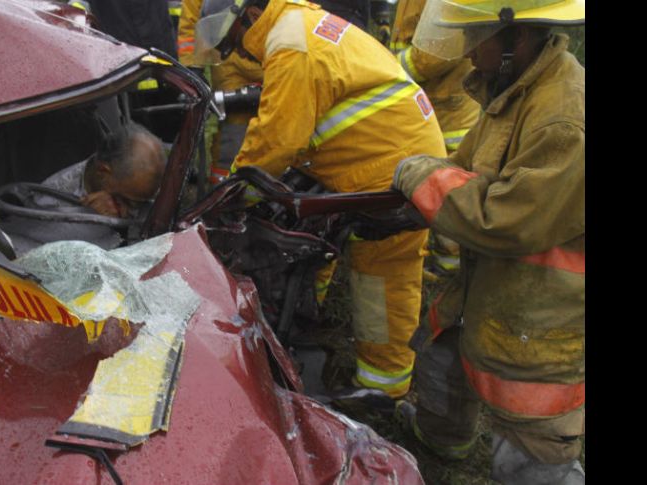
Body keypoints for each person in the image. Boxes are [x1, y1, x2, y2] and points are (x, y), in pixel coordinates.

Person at [194, 0, 447, 399]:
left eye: (235, 42)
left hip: (392, 171)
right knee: (318, 232)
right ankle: (311, 313)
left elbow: (275, 143)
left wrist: (232, 196)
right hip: (371, 156)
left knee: (379, 278)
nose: (239, 53)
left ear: (249, 17)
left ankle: (382, 389)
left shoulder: (291, 46)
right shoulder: (293, 27)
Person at [390, 1, 584, 483]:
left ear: (516, 39)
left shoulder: (562, 120)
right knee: (445, 357)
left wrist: (419, 177)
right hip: (490, 284)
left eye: (478, 39)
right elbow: (465, 167)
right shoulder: (517, 88)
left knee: (531, 435)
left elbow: (504, 219)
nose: (469, 55)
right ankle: (442, 441)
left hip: (542, 312)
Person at [390, 0, 482, 276]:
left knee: (449, 191)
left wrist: (386, 68)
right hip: (425, 104)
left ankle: (452, 275)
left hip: (448, 113)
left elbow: (434, 54)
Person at [178, 0, 265, 185]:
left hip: (272, 54)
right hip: (230, 60)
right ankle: (222, 192)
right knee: (232, 133)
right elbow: (192, 22)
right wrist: (193, 67)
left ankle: (272, 184)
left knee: (280, 124)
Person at [39, 123, 167, 218]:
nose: (127, 212)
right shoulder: (49, 204)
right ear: (103, 172)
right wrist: (92, 222)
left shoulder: (145, 185)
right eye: (129, 202)